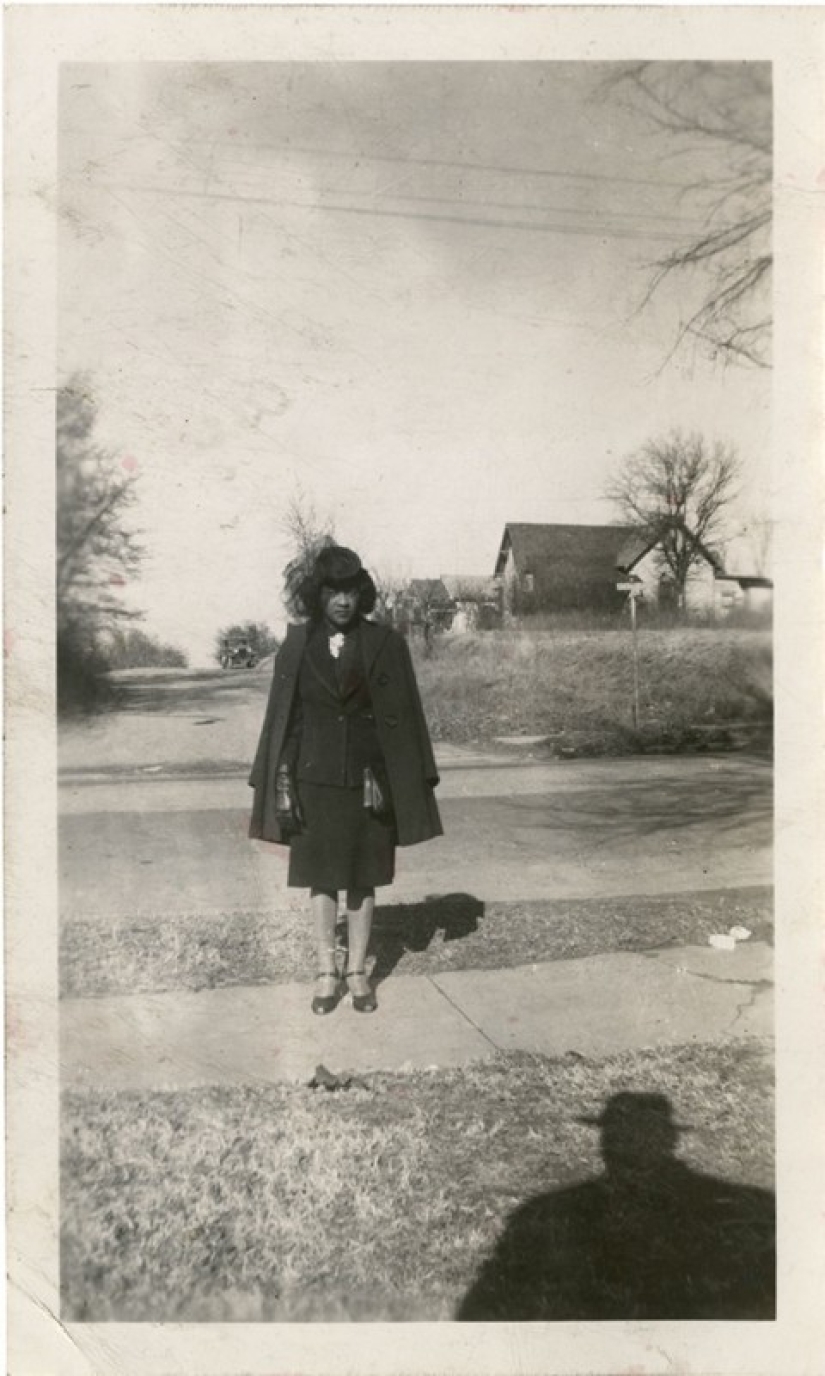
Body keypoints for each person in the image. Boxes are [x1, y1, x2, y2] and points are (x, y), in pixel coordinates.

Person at [249, 545, 443, 1015]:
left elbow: (405, 716)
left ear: (362, 595)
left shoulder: (385, 644)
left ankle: (357, 972)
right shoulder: (296, 645)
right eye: (333, 592)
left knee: (363, 876)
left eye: (351, 592)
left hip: (368, 780)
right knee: (321, 878)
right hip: (314, 779)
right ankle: (325, 970)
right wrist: (281, 776)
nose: (342, 602)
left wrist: (399, 774)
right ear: (319, 595)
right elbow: (285, 719)